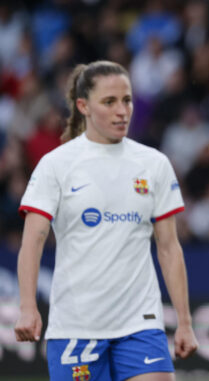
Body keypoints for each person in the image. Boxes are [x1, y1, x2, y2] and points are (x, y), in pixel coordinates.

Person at [14, 61, 198, 381]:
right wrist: (28, 307)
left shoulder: (154, 164)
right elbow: (32, 241)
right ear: (83, 106)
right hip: (76, 325)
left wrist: (184, 321)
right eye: (109, 102)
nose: (122, 111)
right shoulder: (56, 165)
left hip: (141, 323)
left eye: (126, 100)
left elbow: (169, 248)